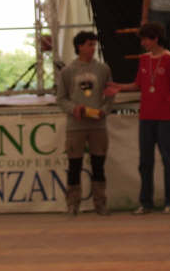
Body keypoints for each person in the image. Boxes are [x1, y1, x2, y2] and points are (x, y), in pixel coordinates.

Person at [105, 23, 170, 215]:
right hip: (146, 117)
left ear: (155, 38)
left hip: (166, 116)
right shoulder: (143, 59)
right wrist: (119, 87)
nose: (143, 43)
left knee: (169, 160)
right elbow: (138, 85)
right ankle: (146, 202)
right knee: (145, 161)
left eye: (145, 39)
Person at [56, 31, 115, 216]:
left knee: (98, 165)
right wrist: (74, 109)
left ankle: (100, 203)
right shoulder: (67, 71)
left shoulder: (103, 69)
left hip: (98, 125)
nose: (93, 48)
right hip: (76, 126)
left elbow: (110, 95)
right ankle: (73, 204)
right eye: (89, 44)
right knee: (74, 165)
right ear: (79, 46)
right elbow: (61, 99)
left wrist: (104, 111)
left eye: (94, 44)